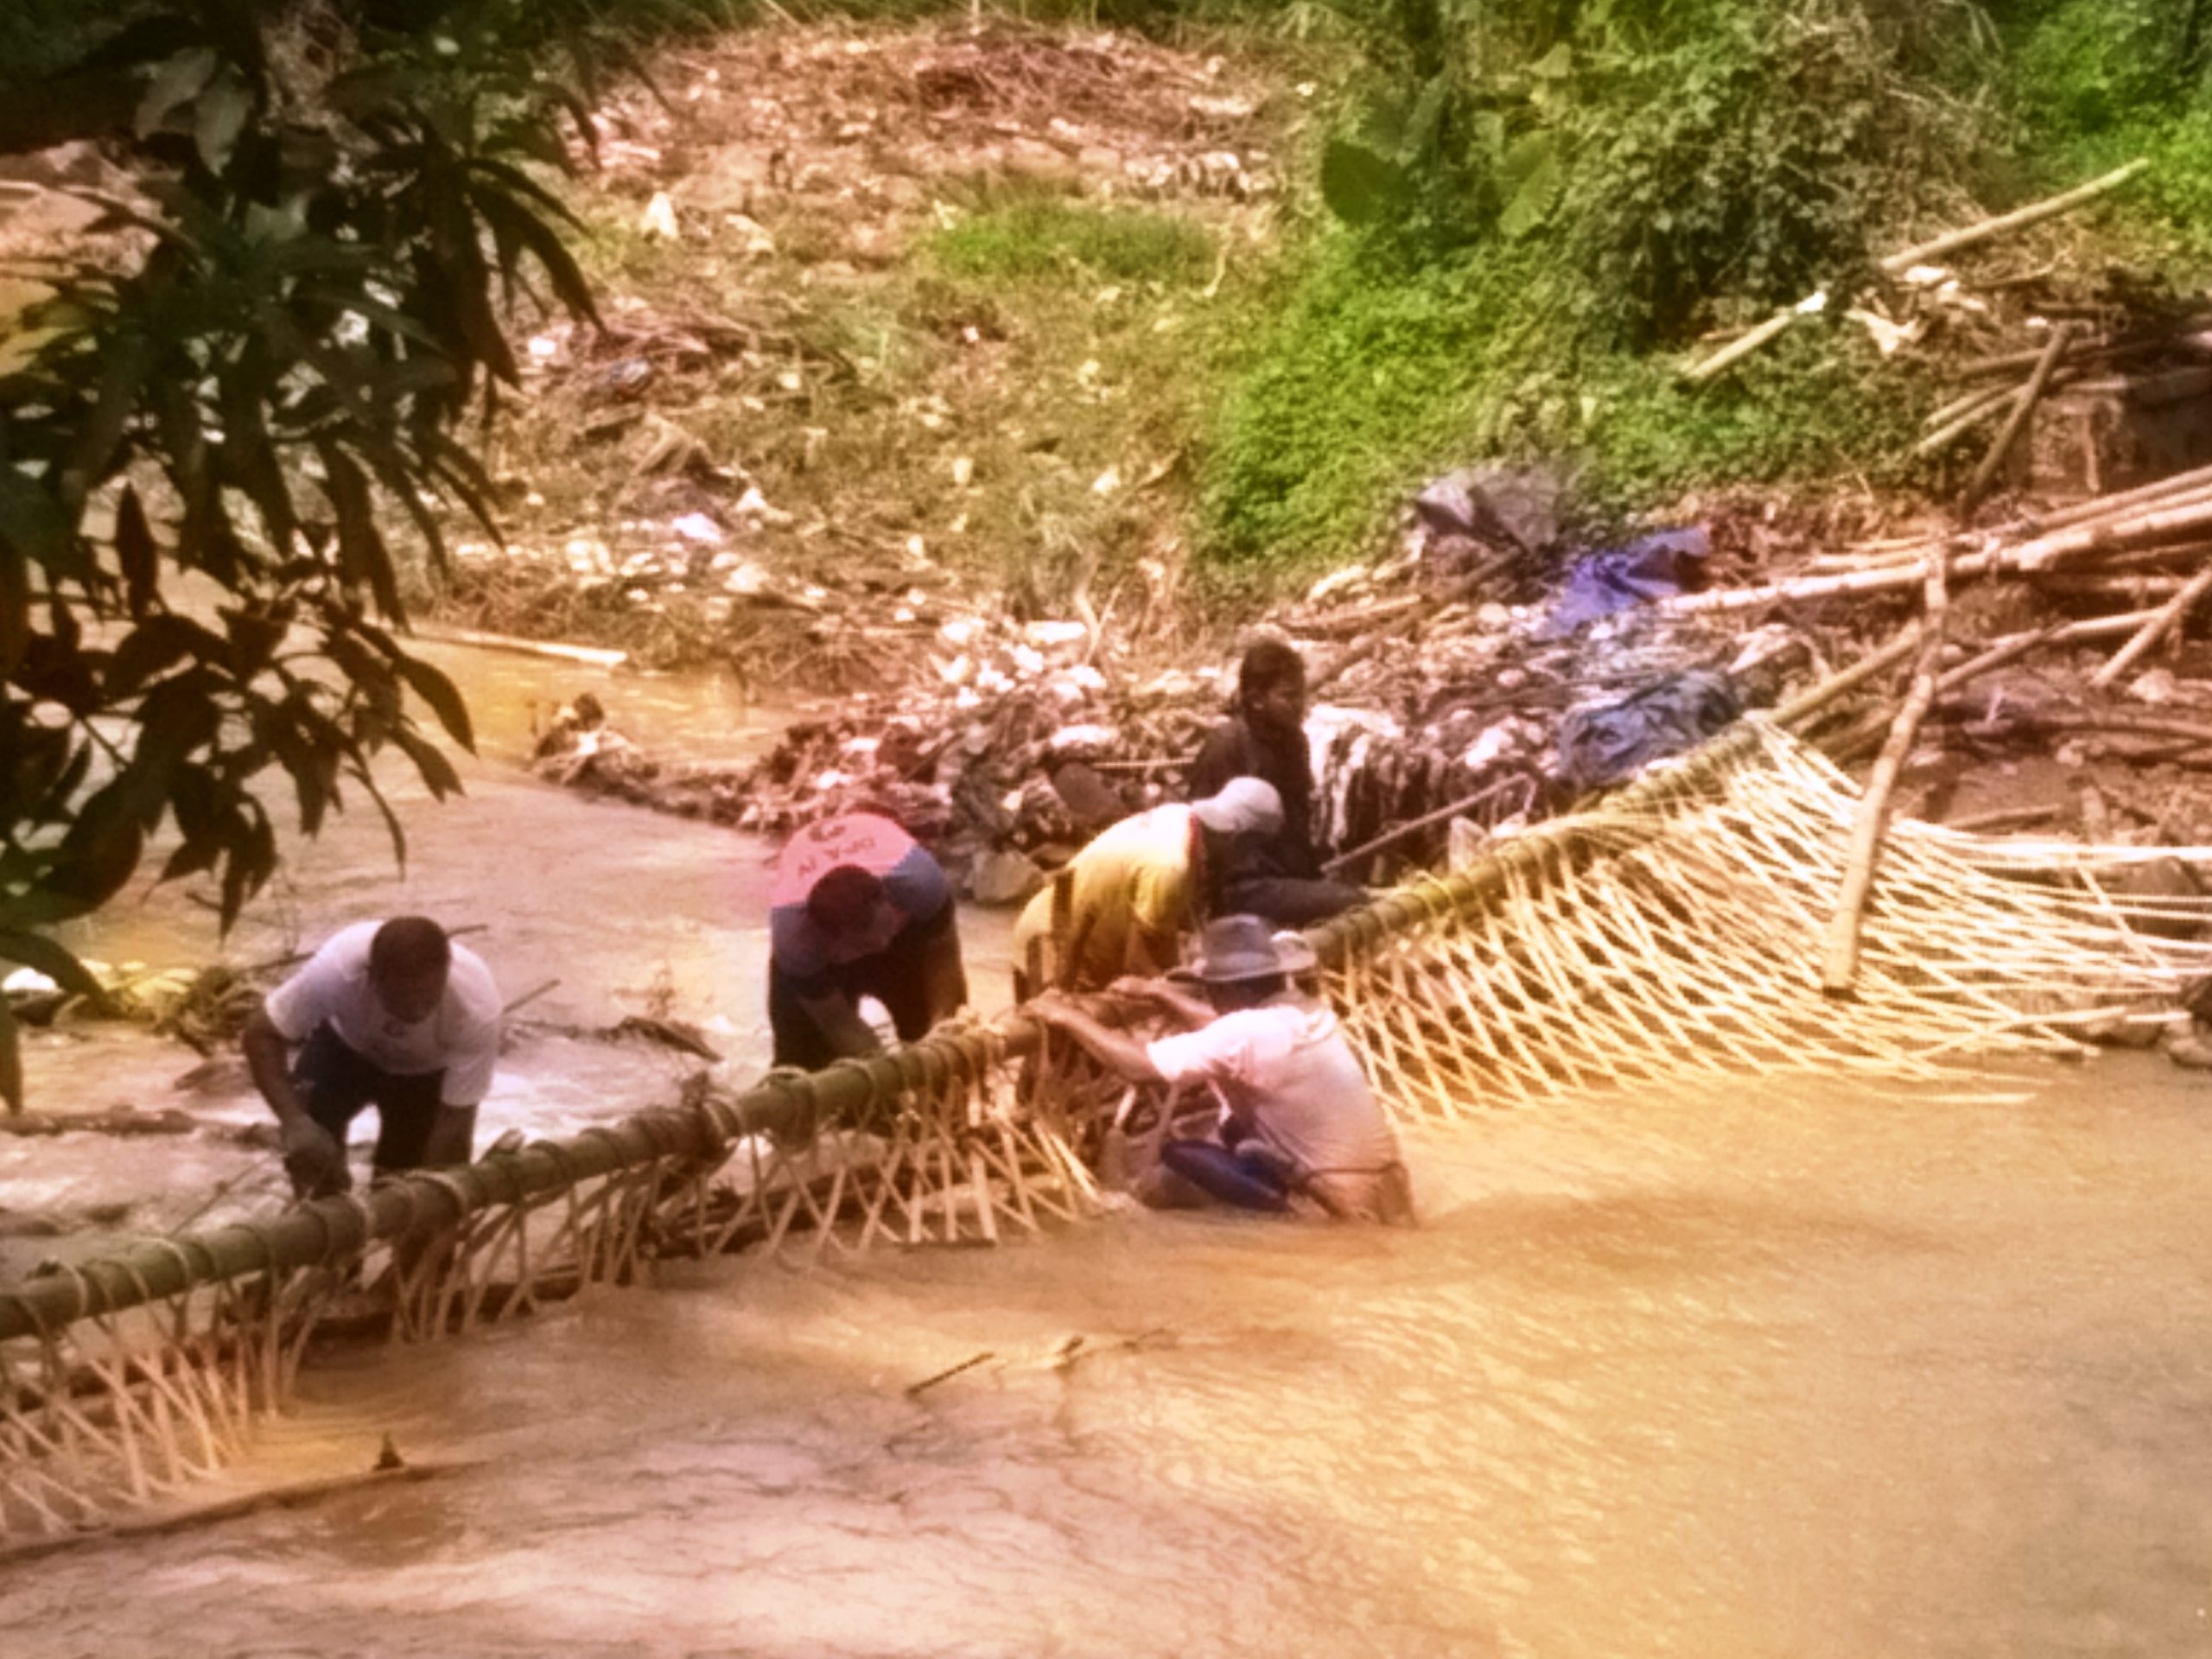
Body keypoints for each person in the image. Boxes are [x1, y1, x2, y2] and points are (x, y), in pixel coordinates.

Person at [1028, 915, 1413, 1224]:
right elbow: (1227, 1031)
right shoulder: (1309, 1014)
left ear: (1231, 991)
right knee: (1231, 1138)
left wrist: (1065, 1017)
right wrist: (1160, 993)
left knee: (1178, 1160)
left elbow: (1142, 1066)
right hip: (1392, 1193)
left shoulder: (1246, 1033)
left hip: (1338, 1207)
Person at [242, 917, 503, 1201]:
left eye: (427, 997)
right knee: (314, 1169)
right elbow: (261, 1032)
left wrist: (437, 1204)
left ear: (445, 973)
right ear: (371, 976)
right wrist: (294, 1122)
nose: (415, 1011)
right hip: (344, 1051)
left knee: (408, 1190)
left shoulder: (477, 1008)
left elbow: (455, 1121)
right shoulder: (337, 971)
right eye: (401, 998)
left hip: (423, 1077)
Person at [1010, 777, 1284, 999]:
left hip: (1068, 936)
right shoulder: (1171, 865)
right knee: (1055, 1052)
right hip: (1053, 947)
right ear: (1237, 836)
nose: (1251, 859)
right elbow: (1137, 962)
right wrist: (1189, 996)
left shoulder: (1179, 816)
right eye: (1253, 848)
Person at [768, 810, 969, 1070]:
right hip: (827, 957)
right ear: (832, 945)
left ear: (888, 899)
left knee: (941, 1045)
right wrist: (887, 1080)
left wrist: (942, 1033)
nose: (882, 946)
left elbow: (944, 961)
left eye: (886, 932)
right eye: (866, 946)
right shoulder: (796, 943)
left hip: (905, 940)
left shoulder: (921, 885)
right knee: (804, 1066)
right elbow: (838, 1024)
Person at [1188, 639, 1364, 926]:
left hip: (1283, 874)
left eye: (1301, 696)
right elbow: (1199, 833)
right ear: (1257, 700)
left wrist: (1309, 876)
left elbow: (1298, 818)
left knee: (1353, 892)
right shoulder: (1225, 748)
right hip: (1241, 885)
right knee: (1351, 904)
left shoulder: (1295, 742)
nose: (1299, 706)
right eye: (1288, 697)